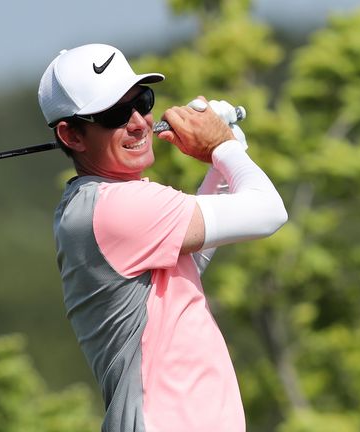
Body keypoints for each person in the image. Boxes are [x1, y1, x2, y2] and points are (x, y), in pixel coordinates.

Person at [38, 43, 288, 432]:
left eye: (142, 101)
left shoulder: (97, 204)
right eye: (115, 114)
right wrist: (220, 146)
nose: (138, 122)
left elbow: (187, 261)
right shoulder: (119, 207)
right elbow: (269, 212)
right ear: (71, 135)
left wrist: (229, 147)